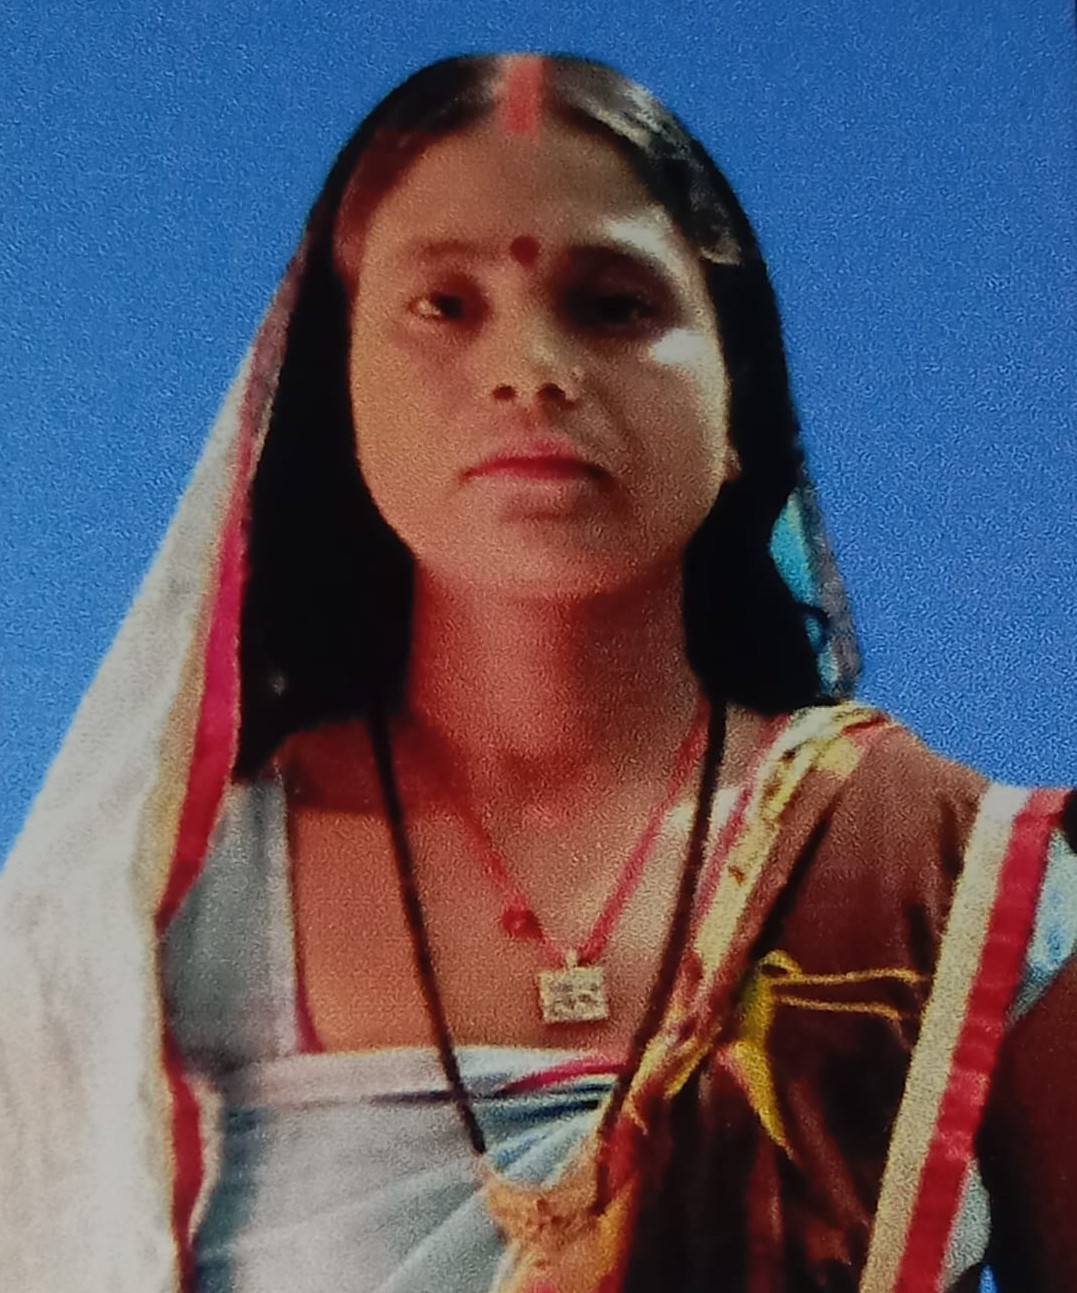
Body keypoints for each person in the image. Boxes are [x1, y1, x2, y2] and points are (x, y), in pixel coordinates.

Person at [0, 51, 1074, 1293]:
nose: (532, 369)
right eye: (445, 306)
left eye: (612, 305)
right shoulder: (154, 916)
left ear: (736, 407)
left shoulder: (954, 887)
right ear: (340, 399)